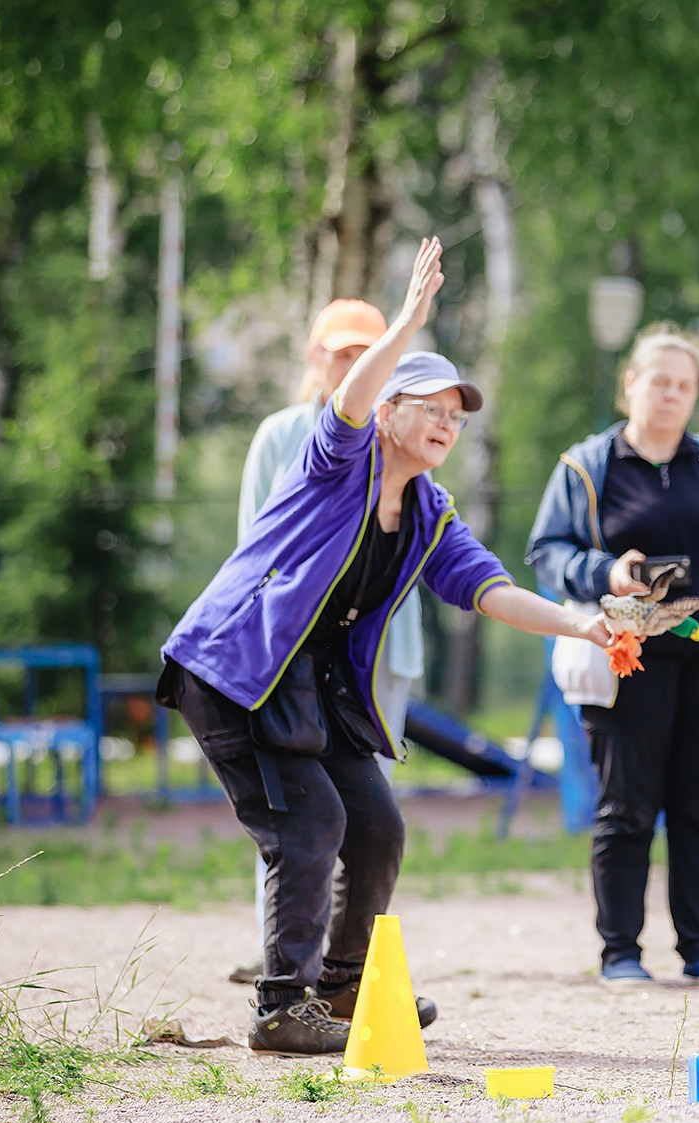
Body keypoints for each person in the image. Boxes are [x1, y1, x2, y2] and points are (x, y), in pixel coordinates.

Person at [159, 238, 613, 1054]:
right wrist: (407, 320)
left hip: (307, 686)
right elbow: (350, 401)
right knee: (310, 821)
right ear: (389, 410)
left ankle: (340, 988)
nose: (446, 424)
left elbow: (492, 589)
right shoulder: (338, 460)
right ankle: (279, 1005)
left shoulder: (431, 513)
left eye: (456, 416)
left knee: (374, 825)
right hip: (233, 669)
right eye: (430, 407)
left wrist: (588, 622)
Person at [527, 325, 699, 985]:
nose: (670, 393)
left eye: (684, 384)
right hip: (626, 658)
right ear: (630, 384)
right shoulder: (587, 465)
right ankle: (621, 952)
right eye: (658, 380)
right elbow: (548, 551)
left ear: (694, 395)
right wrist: (605, 571)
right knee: (627, 807)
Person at [225, 298, 429, 987]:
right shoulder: (287, 434)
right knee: (299, 812)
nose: (357, 365)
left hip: (377, 660)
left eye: (371, 354)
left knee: (370, 819)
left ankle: (346, 967)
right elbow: (258, 545)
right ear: (318, 357)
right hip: (293, 660)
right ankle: (285, 959)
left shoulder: (404, 433)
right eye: (345, 353)